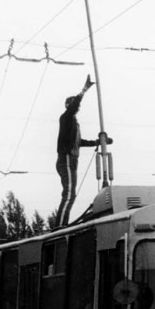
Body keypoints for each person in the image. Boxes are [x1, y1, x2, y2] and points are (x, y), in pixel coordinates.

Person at [55, 75, 111, 227]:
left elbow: (79, 142)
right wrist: (84, 91)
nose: (77, 107)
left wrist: (98, 142)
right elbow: (74, 107)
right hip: (66, 158)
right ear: (68, 105)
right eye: (73, 104)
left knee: (71, 194)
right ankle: (59, 225)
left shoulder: (74, 123)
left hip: (73, 159)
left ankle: (62, 224)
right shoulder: (66, 118)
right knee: (68, 193)